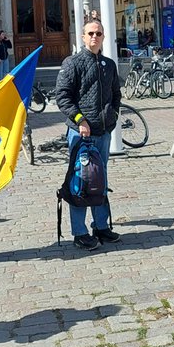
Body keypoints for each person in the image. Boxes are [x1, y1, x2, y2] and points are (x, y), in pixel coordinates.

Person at [54, 20, 123, 250]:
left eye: (98, 33)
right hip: (80, 134)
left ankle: (101, 226)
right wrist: (79, 119)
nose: (94, 37)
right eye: (90, 33)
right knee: (81, 181)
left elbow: (116, 94)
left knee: (100, 181)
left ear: (103, 37)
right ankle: (80, 232)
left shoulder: (108, 65)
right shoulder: (72, 63)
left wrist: (111, 116)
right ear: (83, 37)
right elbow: (63, 97)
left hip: (102, 133)